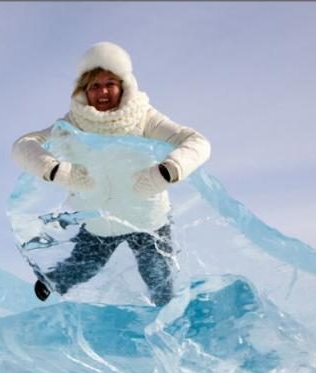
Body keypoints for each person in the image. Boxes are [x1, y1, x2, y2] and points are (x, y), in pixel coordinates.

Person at [12, 41, 210, 306]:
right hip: (98, 221)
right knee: (81, 268)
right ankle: (51, 281)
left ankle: (168, 325)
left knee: (158, 279)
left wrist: (166, 172)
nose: (103, 91)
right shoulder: (73, 123)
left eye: (110, 84)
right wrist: (57, 170)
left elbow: (197, 142)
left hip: (146, 220)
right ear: (84, 90)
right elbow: (24, 146)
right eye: (94, 85)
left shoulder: (144, 116)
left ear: (123, 85)